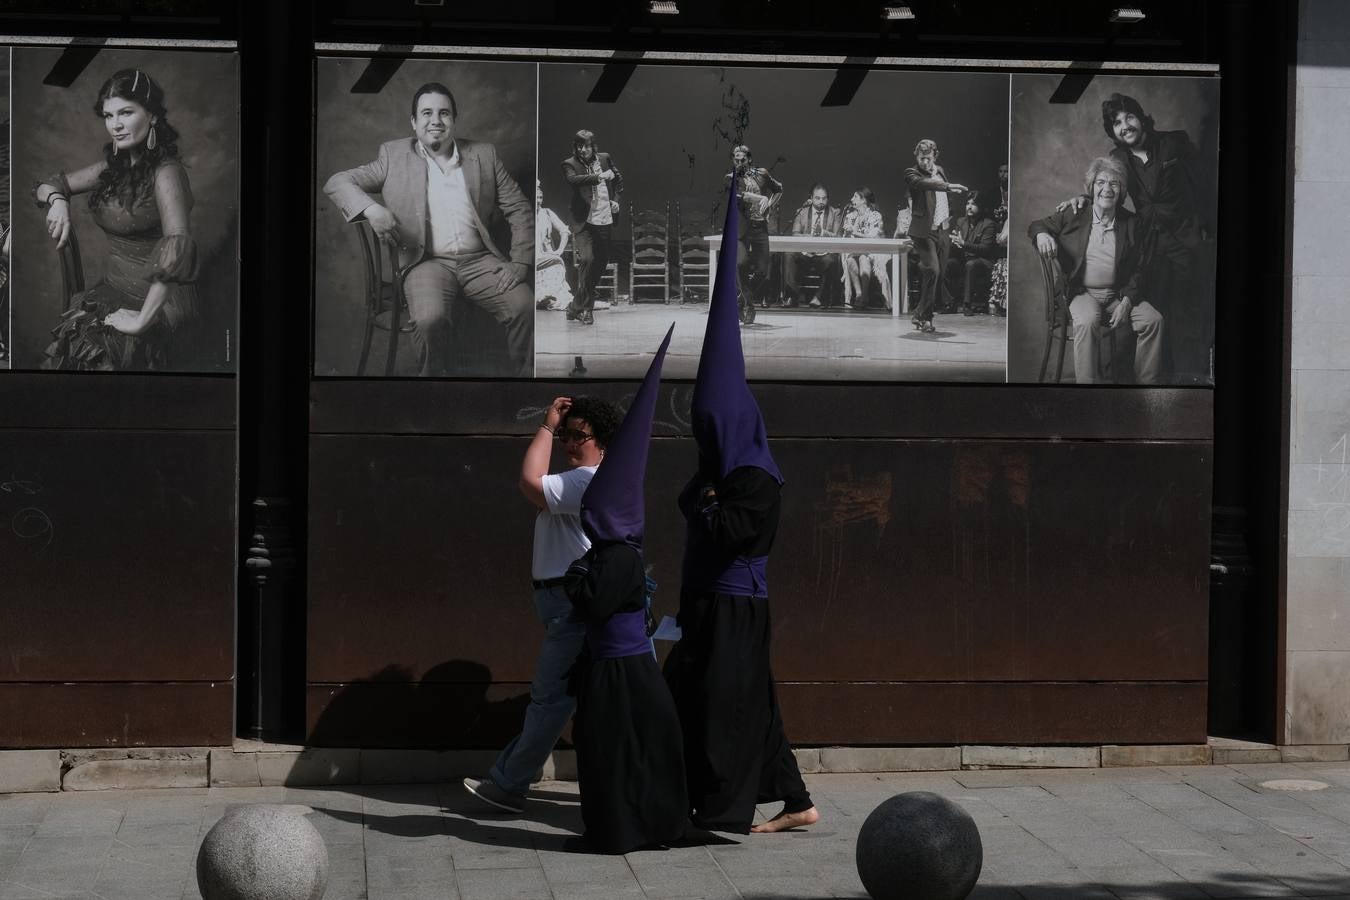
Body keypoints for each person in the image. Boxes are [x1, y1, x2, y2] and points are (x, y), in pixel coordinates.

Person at [664, 183, 819, 836]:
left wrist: (705, 502)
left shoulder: (755, 477)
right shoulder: (725, 468)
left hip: (735, 605)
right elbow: (689, 500)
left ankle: (721, 810)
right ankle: (796, 801)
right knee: (739, 702)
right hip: (707, 601)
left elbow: (727, 529)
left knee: (727, 705)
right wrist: (702, 496)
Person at [462, 393, 622, 813]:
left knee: (551, 698)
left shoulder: (588, 479)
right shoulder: (585, 478)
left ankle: (508, 784)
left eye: (579, 436)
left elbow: (529, 481)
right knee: (572, 698)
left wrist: (548, 426)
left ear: (601, 439)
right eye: (567, 435)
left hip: (569, 604)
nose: (571, 443)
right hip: (562, 602)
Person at [562, 325, 687, 854]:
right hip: (624, 666)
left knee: (614, 752)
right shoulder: (618, 553)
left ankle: (622, 829)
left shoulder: (615, 557)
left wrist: (574, 578)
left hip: (618, 670)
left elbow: (592, 601)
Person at [324, 81, 534, 376]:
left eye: (444, 113)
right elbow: (337, 182)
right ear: (414, 122)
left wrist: (521, 262)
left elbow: (520, 208)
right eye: (427, 113)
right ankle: (433, 390)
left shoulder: (484, 155)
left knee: (524, 306)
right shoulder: (392, 156)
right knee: (428, 319)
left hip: (480, 261)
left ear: (454, 120)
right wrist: (372, 209)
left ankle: (522, 391)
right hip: (426, 263)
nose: (435, 121)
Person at [35, 69, 201, 371]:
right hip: (112, 290)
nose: (116, 125)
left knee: (101, 360)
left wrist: (140, 322)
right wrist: (58, 201)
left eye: (125, 112)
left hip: (157, 303)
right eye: (109, 116)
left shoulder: (167, 172)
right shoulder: (114, 168)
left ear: (151, 116)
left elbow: (178, 247)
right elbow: (48, 184)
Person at [1030, 156, 1164, 384]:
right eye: (1101, 182)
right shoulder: (1074, 214)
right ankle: (1087, 390)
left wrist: (1127, 302)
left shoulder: (1132, 223)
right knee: (1087, 319)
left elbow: (1141, 267)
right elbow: (1037, 225)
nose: (1107, 189)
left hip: (1117, 295)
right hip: (1081, 293)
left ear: (1121, 191)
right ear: (1092, 187)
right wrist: (1042, 234)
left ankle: (1145, 392)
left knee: (1153, 320)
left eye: (1114, 183)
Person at [902, 139, 968, 333]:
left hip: (942, 229)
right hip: (923, 232)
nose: (925, 163)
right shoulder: (912, 173)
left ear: (934, 156)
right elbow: (924, 184)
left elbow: (944, 199)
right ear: (916, 156)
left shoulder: (940, 171)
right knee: (933, 270)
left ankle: (921, 316)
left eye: (928, 158)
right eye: (921, 158)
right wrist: (946, 186)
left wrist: (949, 218)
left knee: (936, 276)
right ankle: (924, 317)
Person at [561, 129, 622, 326]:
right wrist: (599, 177)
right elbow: (573, 180)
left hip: (604, 218)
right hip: (584, 221)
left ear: (593, 146)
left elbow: (619, 181)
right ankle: (586, 309)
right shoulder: (570, 164)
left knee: (601, 262)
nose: (583, 150)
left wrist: (616, 201)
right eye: (579, 146)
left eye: (586, 146)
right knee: (587, 259)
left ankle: (574, 306)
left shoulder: (605, 159)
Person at [725, 144, 782, 325]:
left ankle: (741, 299)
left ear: (749, 159)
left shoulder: (762, 174)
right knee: (741, 263)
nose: (739, 162)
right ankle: (749, 305)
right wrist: (761, 198)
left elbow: (779, 188)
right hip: (741, 229)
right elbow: (742, 196)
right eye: (736, 159)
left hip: (759, 228)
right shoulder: (730, 178)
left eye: (742, 159)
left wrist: (769, 205)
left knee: (763, 272)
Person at [782, 184, 841, 308]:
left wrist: (823, 233)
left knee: (832, 260)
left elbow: (837, 236)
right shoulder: (801, 212)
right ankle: (792, 296)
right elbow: (795, 234)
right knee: (789, 254)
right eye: (817, 198)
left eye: (824, 198)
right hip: (804, 253)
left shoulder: (835, 213)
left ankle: (819, 298)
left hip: (824, 254)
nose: (821, 201)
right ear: (811, 198)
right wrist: (810, 237)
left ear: (828, 199)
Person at [943, 192, 999, 316]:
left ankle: (967, 304)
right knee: (947, 264)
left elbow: (985, 249)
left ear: (981, 206)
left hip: (983, 260)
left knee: (971, 265)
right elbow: (957, 241)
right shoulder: (961, 221)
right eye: (967, 203)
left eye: (973, 204)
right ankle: (949, 303)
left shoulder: (988, 224)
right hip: (964, 258)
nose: (969, 206)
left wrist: (963, 243)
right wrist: (954, 242)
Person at [840, 187, 891, 311]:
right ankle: (858, 294)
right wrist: (846, 232)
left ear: (864, 200)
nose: (852, 199)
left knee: (863, 258)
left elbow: (873, 236)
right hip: (854, 249)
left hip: (873, 250)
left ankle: (865, 295)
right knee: (850, 260)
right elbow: (846, 237)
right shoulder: (850, 216)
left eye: (855, 197)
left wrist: (855, 232)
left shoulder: (875, 216)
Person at [535, 180, 572, 312]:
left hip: (545, 255)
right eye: (536, 197)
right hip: (530, 256)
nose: (539, 201)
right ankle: (538, 298)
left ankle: (550, 297)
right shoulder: (524, 213)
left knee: (557, 261)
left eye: (540, 197)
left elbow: (564, 230)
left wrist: (560, 250)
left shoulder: (547, 213)